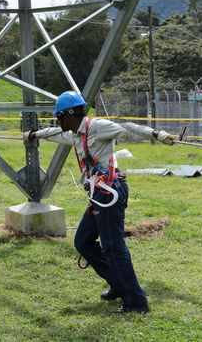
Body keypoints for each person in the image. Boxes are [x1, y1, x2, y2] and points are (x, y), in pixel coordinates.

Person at [24, 91, 174, 314]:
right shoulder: (73, 133)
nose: (58, 122)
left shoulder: (97, 127)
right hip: (98, 193)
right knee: (83, 241)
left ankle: (136, 302)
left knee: (114, 248)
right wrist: (33, 135)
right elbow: (53, 133)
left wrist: (156, 133)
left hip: (110, 191)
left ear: (69, 114)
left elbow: (128, 128)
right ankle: (118, 283)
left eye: (59, 117)